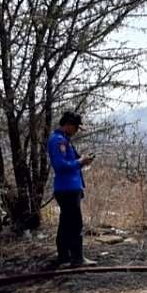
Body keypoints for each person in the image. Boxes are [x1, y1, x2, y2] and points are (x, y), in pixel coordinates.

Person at [46, 111, 97, 267]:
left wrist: (82, 160)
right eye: (75, 127)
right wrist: (80, 162)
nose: (76, 131)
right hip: (67, 188)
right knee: (75, 224)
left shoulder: (64, 140)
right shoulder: (58, 141)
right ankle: (77, 258)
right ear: (68, 124)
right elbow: (61, 166)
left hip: (70, 187)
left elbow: (72, 160)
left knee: (66, 223)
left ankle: (64, 256)